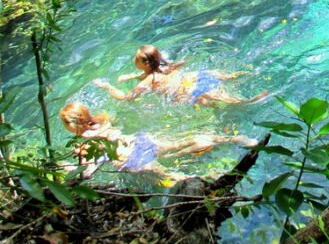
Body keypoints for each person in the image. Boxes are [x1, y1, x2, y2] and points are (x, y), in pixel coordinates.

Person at [59, 101, 258, 175]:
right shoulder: (102, 120)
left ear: (74, 124)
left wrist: (68, 168)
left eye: (66, 124)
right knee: (182, 143)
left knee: (170, 176)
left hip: (133, 159)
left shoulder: (84, 142)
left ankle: (209, 180)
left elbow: (88, 170)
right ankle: (236, 139)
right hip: (142, 141)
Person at [93, 44, 267, 107]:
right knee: (226, 76)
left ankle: (248, 102)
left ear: (145, 64)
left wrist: (107, 86)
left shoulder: (148, 80)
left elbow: (125, 97)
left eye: (136, 59)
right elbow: (181, 63)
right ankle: (246, 73)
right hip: (191, 76)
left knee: (219, 99)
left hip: (186, 90)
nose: (133, 60)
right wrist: (131, 77)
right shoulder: (164, 67)